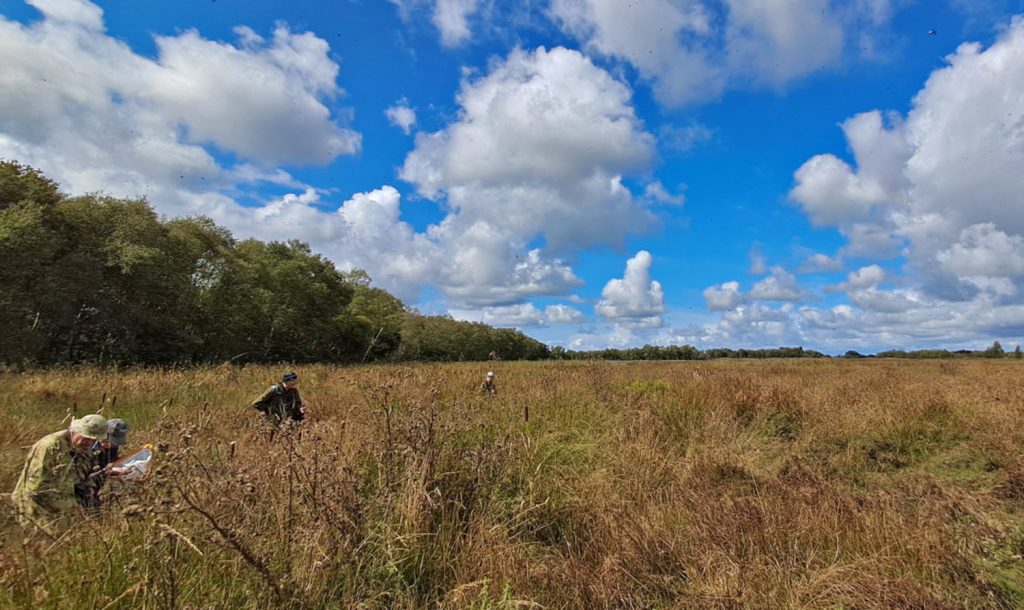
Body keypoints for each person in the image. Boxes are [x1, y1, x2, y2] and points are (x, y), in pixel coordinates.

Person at [11, 414, 108, 534]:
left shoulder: (84, 447)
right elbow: (37, 490)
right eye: (86, 438)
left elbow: (81, 477)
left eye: (94, 440)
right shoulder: (50, 447)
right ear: (75, 431)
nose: (89, 443)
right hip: (38, 511)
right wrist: (74, 507)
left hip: (65, 511)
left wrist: (104, 474)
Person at [76, 418, 130, 508]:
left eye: (114, 443)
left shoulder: (112, 447)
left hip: (98, 485)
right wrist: (105, 472)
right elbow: (81, 476)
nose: (111, 445)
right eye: (109, 441)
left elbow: (111, 462)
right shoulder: (85, 445)